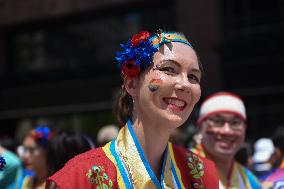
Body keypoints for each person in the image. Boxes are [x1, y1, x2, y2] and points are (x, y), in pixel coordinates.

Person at [46, 30, 219, 189]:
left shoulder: (202, 175)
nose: (184, 84)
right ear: (132, 84)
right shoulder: (79, 179)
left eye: (193, 77)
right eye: (169, 69)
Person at [191, 91, 262, 189]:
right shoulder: (179, 168)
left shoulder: (250, 181)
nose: (227, 131)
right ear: (200, 127)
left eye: (235, 122)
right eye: (217, 121)